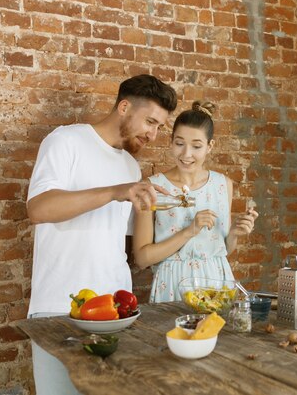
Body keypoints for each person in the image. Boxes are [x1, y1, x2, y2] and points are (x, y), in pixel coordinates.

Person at [26, 74, 177, 394]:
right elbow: (39, 209)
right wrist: (114, 192)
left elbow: (119, 246)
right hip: (58, 308)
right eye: (150, 121)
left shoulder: (130, 168)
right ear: (124, 107)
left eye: (159, 127)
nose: (153, 134)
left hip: (117, 313)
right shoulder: (65, 140)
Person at [132, 101, 259, 303]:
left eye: (197, 146)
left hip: (218, 282)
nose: (186, 154)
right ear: (171, 142)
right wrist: (189, 231)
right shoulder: (151, 187)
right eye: (179, 143)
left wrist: (234, 233)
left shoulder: (223, 184)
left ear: (210, 146)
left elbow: (222, 250)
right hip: (173, 286)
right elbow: (142, 258)